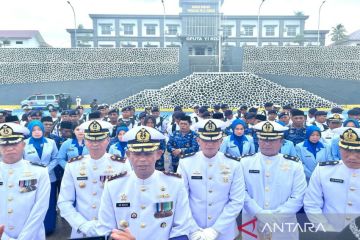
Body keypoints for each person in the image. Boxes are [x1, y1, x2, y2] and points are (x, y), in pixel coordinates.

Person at [96, 126, 193, 240]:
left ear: (159, 154)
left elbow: (182, 229)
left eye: (147, 154)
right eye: (137, 154)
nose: (142, 159)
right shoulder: (113, 185)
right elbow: (105, 229)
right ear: (128, 155)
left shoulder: (175, 184)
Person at [57, 120, 132, 238]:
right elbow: (64, 201)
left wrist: (110, 226)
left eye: (100, 139)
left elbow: (127, 200)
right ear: (85, 141)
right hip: (81, 230)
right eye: (91, 140)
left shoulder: (121, 164)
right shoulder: (73, 165)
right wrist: (82, 225)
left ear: (108, 140)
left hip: (112, 230)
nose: (95, 144)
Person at [177, 119, 245, 240]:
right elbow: (182, 200)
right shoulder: (186, 163)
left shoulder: (234, 164)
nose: (210, 144)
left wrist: (216, 229)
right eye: (205, 140)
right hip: (193, 230)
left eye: (214, 140)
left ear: (221, 141)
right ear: (198, 140)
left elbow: (236, 201)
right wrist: (193, 229)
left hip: (224, 231)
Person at [241, 121, 307, 240]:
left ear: (281, 142)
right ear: (258, 140)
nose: (267, 144)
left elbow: (298, 196)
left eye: (272, 140)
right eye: (263, 140)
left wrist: (275, 218)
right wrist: (259, 213)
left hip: (284, 224)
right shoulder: (244, 163)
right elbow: (241, 192)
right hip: (252, 221)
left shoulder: (294, 165)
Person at [0, 122, 50, 240]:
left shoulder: (39, 172)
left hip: (33, 235)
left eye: (15, 143)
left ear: (23, 144)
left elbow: (40, 209)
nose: (10, 148)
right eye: (4, 144)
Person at [304, 127, 360, 232]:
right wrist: (327, 231)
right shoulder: (324, 170)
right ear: (339, 148)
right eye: (347, 150)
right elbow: (312, 204)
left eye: (358, 151)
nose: (352, 157)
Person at [23, 120, 58, 235]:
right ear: (30, 131)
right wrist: (34, 173)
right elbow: (22, 160)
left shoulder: (51, 142)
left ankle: (49, 227)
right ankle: (32, 229)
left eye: (39, 129)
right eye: (34, 130)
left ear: (43, 130)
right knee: (30, 203)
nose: (37, 132)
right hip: (29, 178)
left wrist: (45, 171)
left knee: (49, 202)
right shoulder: (24, 143)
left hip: (49, 177)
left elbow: (56, 158)